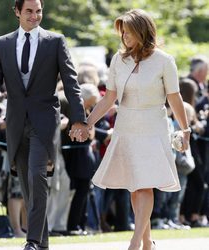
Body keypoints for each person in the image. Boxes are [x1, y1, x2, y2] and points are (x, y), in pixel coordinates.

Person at [0, 1, 88, 250]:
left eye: (39, 10)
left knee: (37, 174)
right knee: (28, 185)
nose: (35, 15)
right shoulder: (3, 43)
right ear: (17, 11)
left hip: (45, 122)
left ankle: (31, 241)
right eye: (29, 11)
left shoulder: (55, 41)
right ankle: (42, 245)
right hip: (16, 123)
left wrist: (79, 118)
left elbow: (71, 83)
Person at [85, 9, 190, 250]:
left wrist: (185, 130)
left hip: (154, 127)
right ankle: (146, 242)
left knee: (144, 185)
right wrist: (88, 122)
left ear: (142, 32)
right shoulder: (118, 60)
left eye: (129, 33)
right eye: (122, 33)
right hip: (126, 128)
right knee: (135, 187)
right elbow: (108, 97)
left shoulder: (165, 60)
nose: (124, 38)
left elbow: (175, 98)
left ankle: (134, 243)